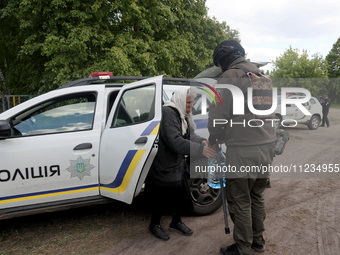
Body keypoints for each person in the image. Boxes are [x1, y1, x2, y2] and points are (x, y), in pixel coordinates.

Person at [208, 40, 277, 255]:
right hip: (266, 147)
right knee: (256, 195)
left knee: (240, 199)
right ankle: (258, 241)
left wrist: (213, 138)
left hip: (243, 150)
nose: (220, 69)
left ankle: (243, 247)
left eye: (219, 64)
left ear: (223, 61)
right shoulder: (263, 77)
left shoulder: (230, 77)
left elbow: (218, 115)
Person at [145, 87, 216, 241]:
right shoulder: (169, 112)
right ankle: (154, 225)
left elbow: (190, 135)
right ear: (181, 100)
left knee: (179, 193)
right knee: (161, 195)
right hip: (164, 163)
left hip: (177, 162)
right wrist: (200, 150)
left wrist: (202, 141)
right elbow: (175, 141)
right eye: (188, 103)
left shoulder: (182, 114)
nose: (190, 106)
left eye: (192, 103)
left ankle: (176, 222)